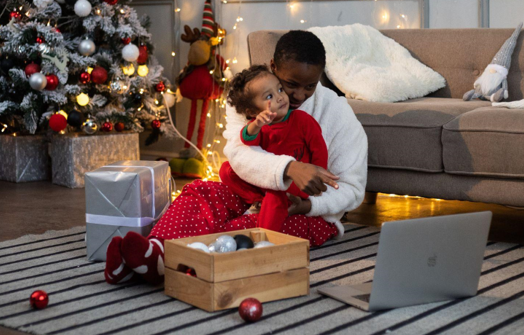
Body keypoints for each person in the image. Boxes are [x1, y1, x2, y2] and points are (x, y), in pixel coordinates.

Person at [103, 30, 368, 285]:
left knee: (248, 227)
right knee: (200, 192)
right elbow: (239, 153)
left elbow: (353, 189)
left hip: (309, 214)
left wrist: (308, 206)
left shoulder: (338, 114)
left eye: (309, 86)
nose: (299, 96)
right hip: (250, 193)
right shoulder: (248, 93)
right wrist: (289, 168)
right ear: (273, 67)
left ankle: (174, 265)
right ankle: (155, 251)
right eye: (290, 85)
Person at [220, 64, 332, 234]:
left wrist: (317, 175)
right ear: (252, 111)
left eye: (280, 89)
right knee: (227, 170)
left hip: (297, 182)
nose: (280, 97)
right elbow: (247, 141)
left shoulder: (301, 120)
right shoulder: (260, 126)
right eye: (270, 96)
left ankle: (266, 239)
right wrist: (257, 124)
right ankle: (259, 200)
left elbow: (319, 147)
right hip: (267, 180)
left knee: (275, 196)